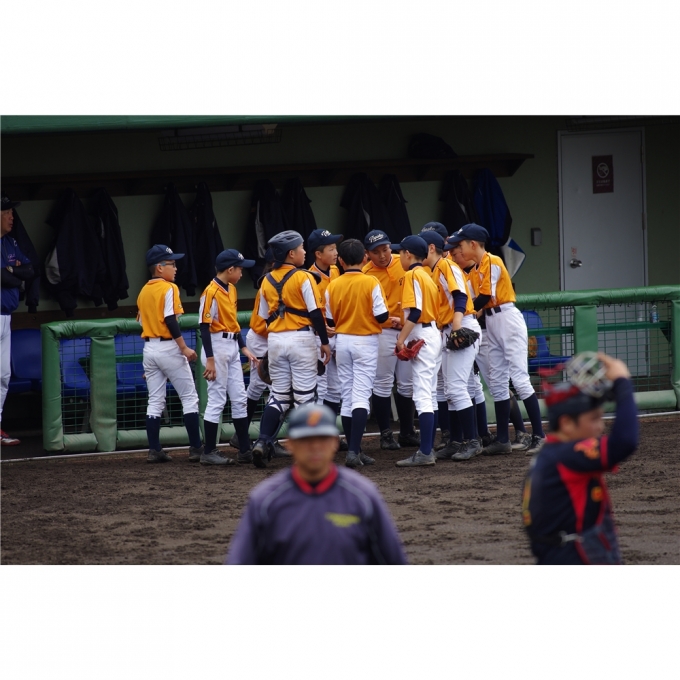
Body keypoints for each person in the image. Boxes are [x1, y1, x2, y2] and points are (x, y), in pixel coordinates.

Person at [225, 403, 408, 564]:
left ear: (334, 443)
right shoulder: (265, 500)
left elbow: (393, 562)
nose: (315, 447)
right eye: (305, 440)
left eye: (322, 439)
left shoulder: (363, 496)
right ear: (290, 444)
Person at [522, 353, 638, 564]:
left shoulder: (551, 452)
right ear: (567, 423)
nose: (600, 427)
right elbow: (625, 441)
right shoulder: (567, 455)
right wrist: (623, 382)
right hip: (572, 556)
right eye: (594, 419)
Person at [448, 224, 545, 456]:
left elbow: (484, 297)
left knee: (520, 379)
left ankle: (540, 436)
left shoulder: (492, 260)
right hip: (491, 322)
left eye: (461, 244)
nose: (458, 249)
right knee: (499, 381)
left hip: (507, 318)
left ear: (473, 244)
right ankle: (502, 439)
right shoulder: (473, 270)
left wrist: (463, 313)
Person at [250, 230, 330, 469]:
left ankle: (262, 441)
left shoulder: (266, 280)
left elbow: (263, 317)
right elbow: (315, 313)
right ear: (291, 253)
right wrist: (324, 341)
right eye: (301, 248)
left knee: (278, 397)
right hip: (301, 339)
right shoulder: (304, 277)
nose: (304, 252)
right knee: (305, 398)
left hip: (276, 340)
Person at [325, 238, 389, 468]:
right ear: (364, 257)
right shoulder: (371, 281)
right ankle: (353, 451)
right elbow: (382, 316)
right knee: (361, 396)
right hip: (365, 341)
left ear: (341, 261)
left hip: (342, 341)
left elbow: (330, 320)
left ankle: (357, 451)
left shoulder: (333, 284)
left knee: (347, 396)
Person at [137, 244, 203, 463]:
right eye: (172, 264)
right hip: (168, 347)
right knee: (189, 398)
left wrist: (153, 363)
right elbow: (170, 320)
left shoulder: (143, 291)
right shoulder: (169, 288)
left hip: (149, 349)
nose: (175, 268)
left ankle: (154, 450)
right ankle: (196, 448)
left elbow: (141, 322)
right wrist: (183, 347)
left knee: (155, 400)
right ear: (159, 267)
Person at [421, 230, 483, 461]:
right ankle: (456, 441)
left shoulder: (447, 265)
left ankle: (473, 441)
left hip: (462, 324)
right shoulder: (434, 270)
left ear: (430, 248)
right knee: (450, 390)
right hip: (449, 328)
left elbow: (460, 297)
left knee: (457, 388)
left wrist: (456, 326)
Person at [198, 249, 259, 465]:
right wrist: (210, 360)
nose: (242, 273)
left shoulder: (231, 289)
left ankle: (244, 450)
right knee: (217, 399)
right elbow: (204, 327)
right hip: (216, 346)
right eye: (240, 269)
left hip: (232, 344)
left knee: (240, 398)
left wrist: (243, 347)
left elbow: (233, 322)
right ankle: (209, 451)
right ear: (230, 269)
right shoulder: (210, 292)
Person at [361, 230, 419, 450]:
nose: (383, 255)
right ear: (367, 254)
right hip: (383, 332)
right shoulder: (365, 273)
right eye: (376, 252)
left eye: (385, 249)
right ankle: (385, 434)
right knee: (383, 383)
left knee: (407, 382)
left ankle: (407, 432)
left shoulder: (402, 262)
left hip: (408, 328)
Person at [390, 235, 442, 467]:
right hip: (431, 334)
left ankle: (425, 452)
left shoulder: (411, 275)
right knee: (430, 394)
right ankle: (428, 448)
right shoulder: (426, 275)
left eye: (400, 252)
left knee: (422, 395)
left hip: (422, 334)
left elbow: (416, 312)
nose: (398, 256)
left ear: (408, 254)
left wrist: (401, 339)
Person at [1, 194, 34, 446]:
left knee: (3, 375)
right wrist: (14, 274)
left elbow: (30, 271)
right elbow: (5, 278)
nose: (12, 217)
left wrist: (10, 271)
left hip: (6, 316)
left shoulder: (10, 243)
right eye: (7, 212)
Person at [307, 229, 343, 425]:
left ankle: (329, 432)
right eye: (331, 249)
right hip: (318, 336)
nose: (336, 253)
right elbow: (307, 311)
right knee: (320, 387)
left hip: (336, 333)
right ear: (318, 254)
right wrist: (320, 330)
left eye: (335, 248)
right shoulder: (309, 277)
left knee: (336, 388)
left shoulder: (335, 270)